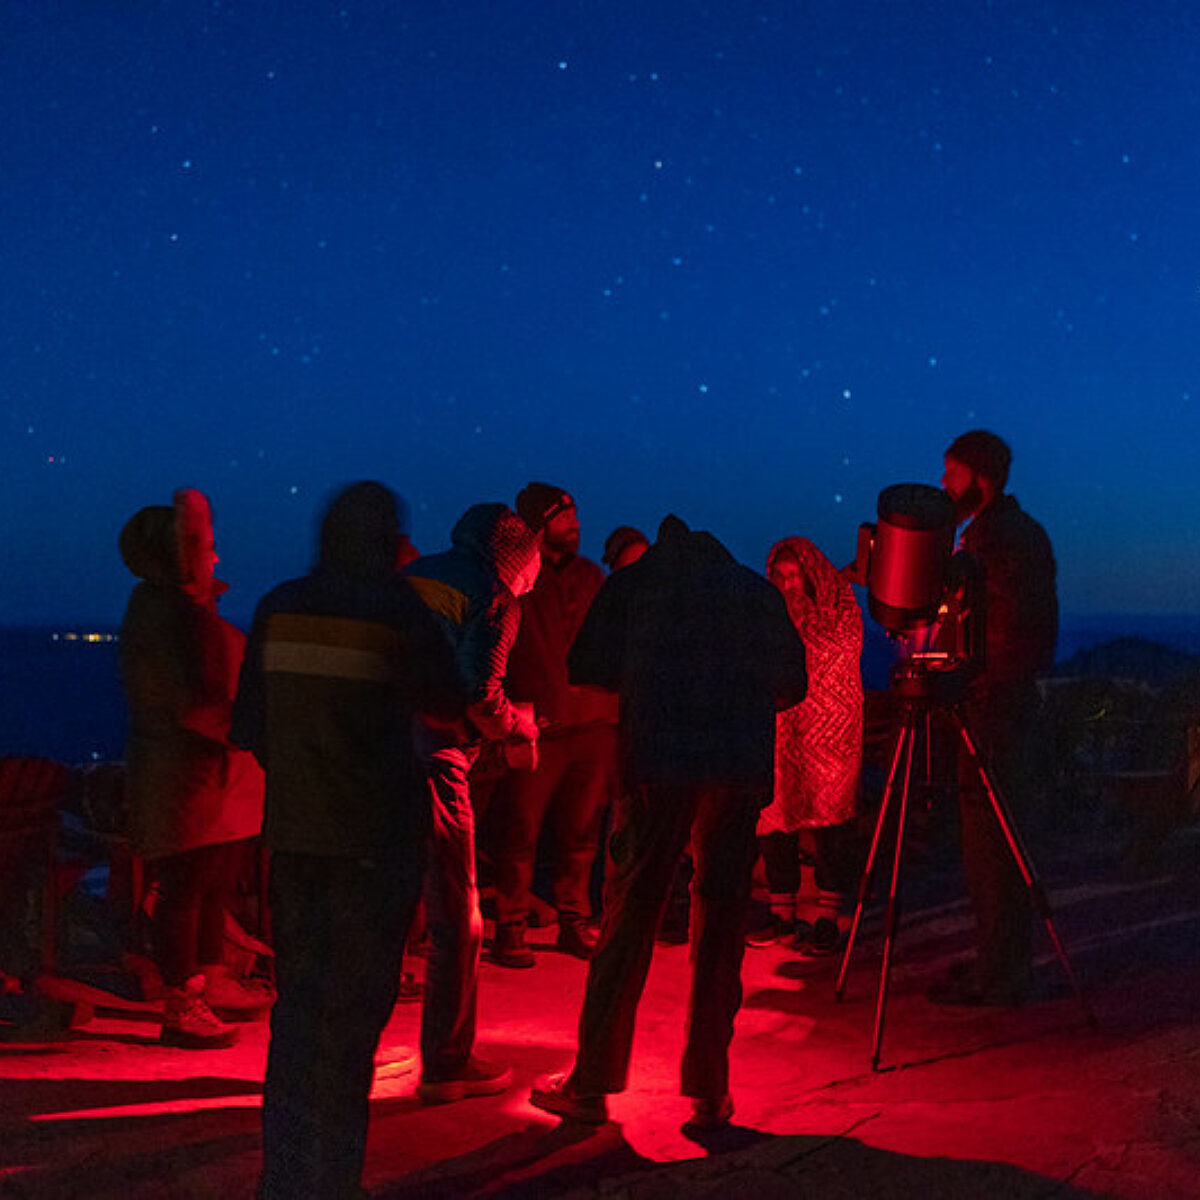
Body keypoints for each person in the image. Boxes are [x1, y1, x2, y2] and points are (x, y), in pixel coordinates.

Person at [529, 515, 807, 1130]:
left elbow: (587, 665)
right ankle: (710, 1091)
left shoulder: (638, 584)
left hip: (657, 762)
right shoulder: (752, 592)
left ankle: (592, 1083)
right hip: (738, 767)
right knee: (723, 914)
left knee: (629, 914)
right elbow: (794, 683)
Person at [231, 481, 466, 1199]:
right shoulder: (401, 610)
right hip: (377, 843)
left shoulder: (276, 607)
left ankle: (284, 1180)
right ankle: (335, 1183)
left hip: (296, 843)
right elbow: (452, 708)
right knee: (355, 1026)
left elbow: (250, 728)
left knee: (296, 1018)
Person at [118, 488, 266, 1050]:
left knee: (211, 880)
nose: (217, 559)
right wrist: (245, 729)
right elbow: (185, 700)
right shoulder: (166, 615)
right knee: (183, 886)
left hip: (209, 773)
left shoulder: (183, 611)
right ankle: (181, 1003)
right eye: (207, 548)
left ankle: (213, 978)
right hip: (181, 773)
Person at [403, 503, 541, 1102]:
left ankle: (341, 1057)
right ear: (513, 553)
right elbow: (480, 693)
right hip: (433, 757)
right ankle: (447, 1065)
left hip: (367, 752)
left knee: (374, 907)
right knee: (458, 915)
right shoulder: (494, 597)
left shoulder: (414, 576)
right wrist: (519, 728)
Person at [929, 430, 1058, 1006]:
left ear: (979, 478)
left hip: (995, 703)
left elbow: (1004, 624)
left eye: (951, 474)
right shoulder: (1004, 534)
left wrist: (969, 674)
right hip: (1000, 697)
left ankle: (1003, 974)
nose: (942, 485)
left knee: (992, 838)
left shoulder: (996, 542)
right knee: (991, 837)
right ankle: (999, 959)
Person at [487, 483, 616, 967]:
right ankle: (511, 925)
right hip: (534, 725)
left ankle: (574, 919)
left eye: (576, 514)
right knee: (519, 829)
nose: (576, 524)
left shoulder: (590, 577)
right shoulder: (515, 579)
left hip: (591, 725)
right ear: (539, 525)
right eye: (565, 516)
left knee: (582, 830)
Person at [748, 537, 863, 957]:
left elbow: (837, 648)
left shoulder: (839, 608)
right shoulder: (768, 614)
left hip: (831, 731)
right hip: (782, 728)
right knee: (775, 816)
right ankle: (782, 912)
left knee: (830, 821)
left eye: (794, 575)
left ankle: (828, 917)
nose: (787, 584)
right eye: (779, 577)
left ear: (811, 575)